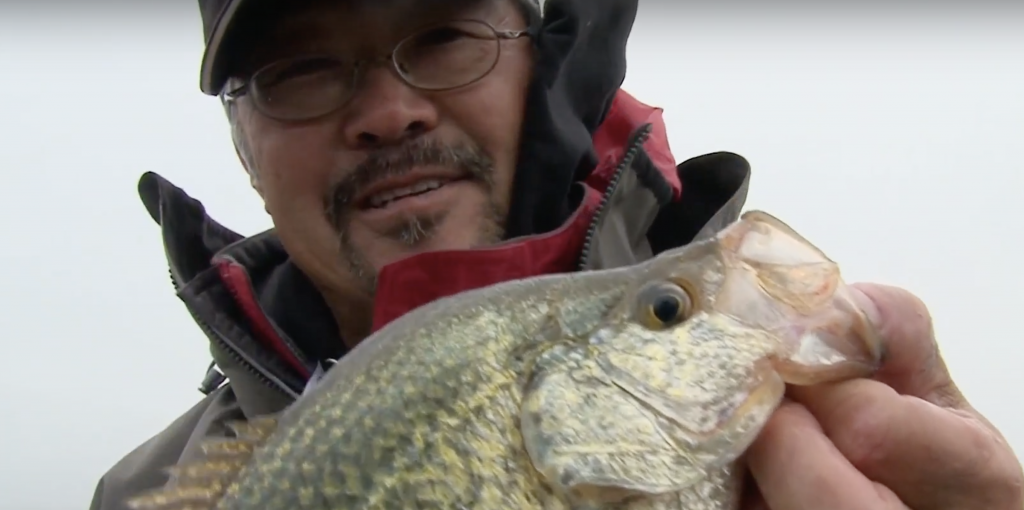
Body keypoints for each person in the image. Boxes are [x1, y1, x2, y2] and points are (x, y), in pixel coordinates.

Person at [89, 0, 1023, 508]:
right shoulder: (139, 497)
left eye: (444, 31)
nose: (388, 112)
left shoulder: (838, 427)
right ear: (243, 149)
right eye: (301, 70)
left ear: (539, 62)